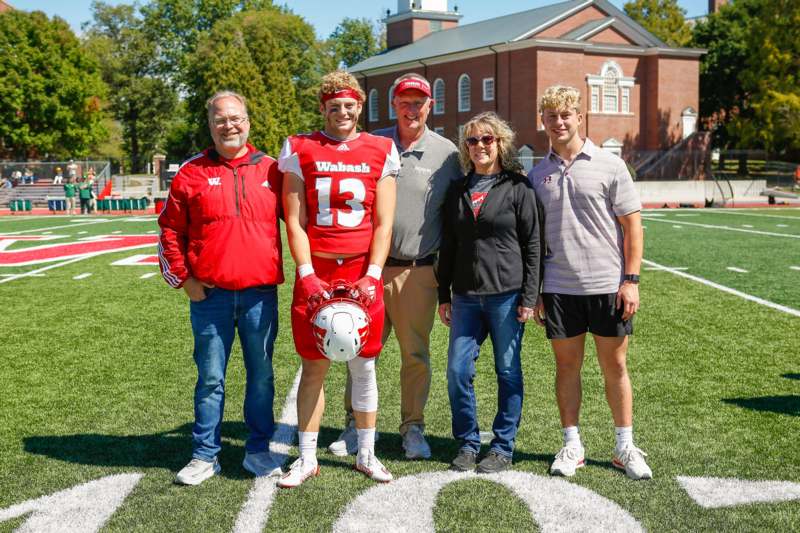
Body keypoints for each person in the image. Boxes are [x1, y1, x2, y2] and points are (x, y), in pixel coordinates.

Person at [329, 73, 461, 460]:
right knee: (358, 350)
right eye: (404, 101)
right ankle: (354, 424)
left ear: (430, 106)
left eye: (418, 101)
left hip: (418, 271)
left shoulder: (447, 154)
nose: (411, 108)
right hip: (366, 269)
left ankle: (413, 428)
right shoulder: (371, 143)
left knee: (415, 355)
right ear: (393, 104)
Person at [277, 70, 399, 488]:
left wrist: (373, 275)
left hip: (361, 271)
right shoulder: (299, 147)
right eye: (334, 106)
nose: (342, 112)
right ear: (322, 108)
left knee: (365, 368)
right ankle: (307, 457)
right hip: (319, 269)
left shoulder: (382, 149)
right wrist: (307, 273)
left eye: (349, 105)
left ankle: (366, 452)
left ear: (360, 106)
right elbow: (295, 220)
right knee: (314, 367)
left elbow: (384, 224)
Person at [158, 90, 284, 486]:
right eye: (220, 119)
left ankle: (258, 449)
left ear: (248, 121)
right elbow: (169, 229)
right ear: (210, 125)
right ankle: (205, 454)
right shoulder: (190, 172)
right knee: (211, 378)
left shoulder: (273, 170)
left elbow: (303, 221)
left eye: (236, 118)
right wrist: (183, 279)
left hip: (260, 296)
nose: (229, 125)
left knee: (261, 376)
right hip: (209, 296)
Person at [528, 85, 651, 480]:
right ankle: (572, 444)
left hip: (607, 286)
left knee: (615, 366)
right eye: (551, 115)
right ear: (543, 120)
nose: (559, 122)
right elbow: (534, 239)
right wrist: (539, 290)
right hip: (559, 288)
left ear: (580, 117)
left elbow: (633, 227)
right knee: (567, 367)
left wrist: (630, 280)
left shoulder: (610, 165)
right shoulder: (536, 174)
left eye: (566, 115)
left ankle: (624, 446)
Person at [437, 112, 541, 474]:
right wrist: (443, 295)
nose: (479, 146)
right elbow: (448, 245)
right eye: (472, 141)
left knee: (508, 371)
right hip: (465, 296)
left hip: (507, 295)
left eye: (486, 139)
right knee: (456, 371)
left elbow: (533, 244)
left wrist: (529, 297)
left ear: (500, 143)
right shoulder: (458, 190)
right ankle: (467, 443)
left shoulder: (518, 187)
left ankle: (502, 447)